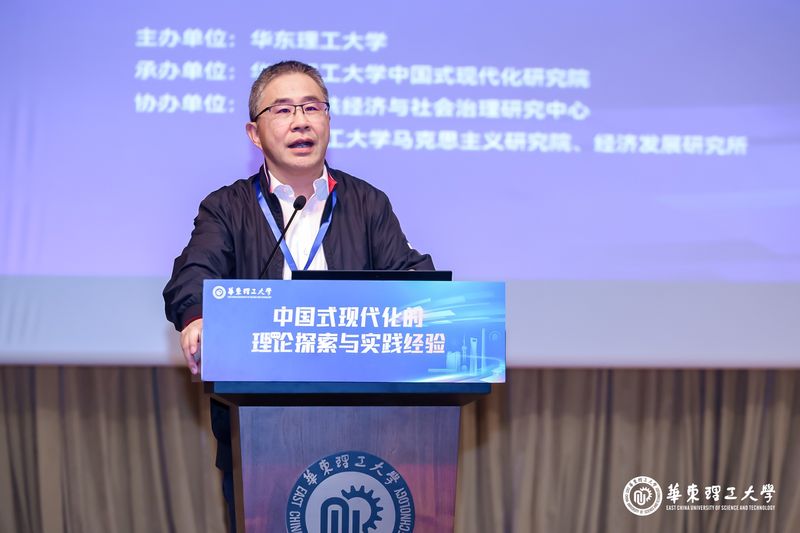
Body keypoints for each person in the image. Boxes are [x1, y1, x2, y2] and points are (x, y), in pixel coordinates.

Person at [162, 60, 434, 532]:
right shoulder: (227, 208)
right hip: (260, 425)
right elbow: (194, 273)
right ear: (254, 133)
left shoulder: (367, 203)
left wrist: (435, 308)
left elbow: (409, 276)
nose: (301, 121)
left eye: (312, 107)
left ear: (328, 120)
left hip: (368, 423)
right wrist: (197, 317)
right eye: (283, 109)